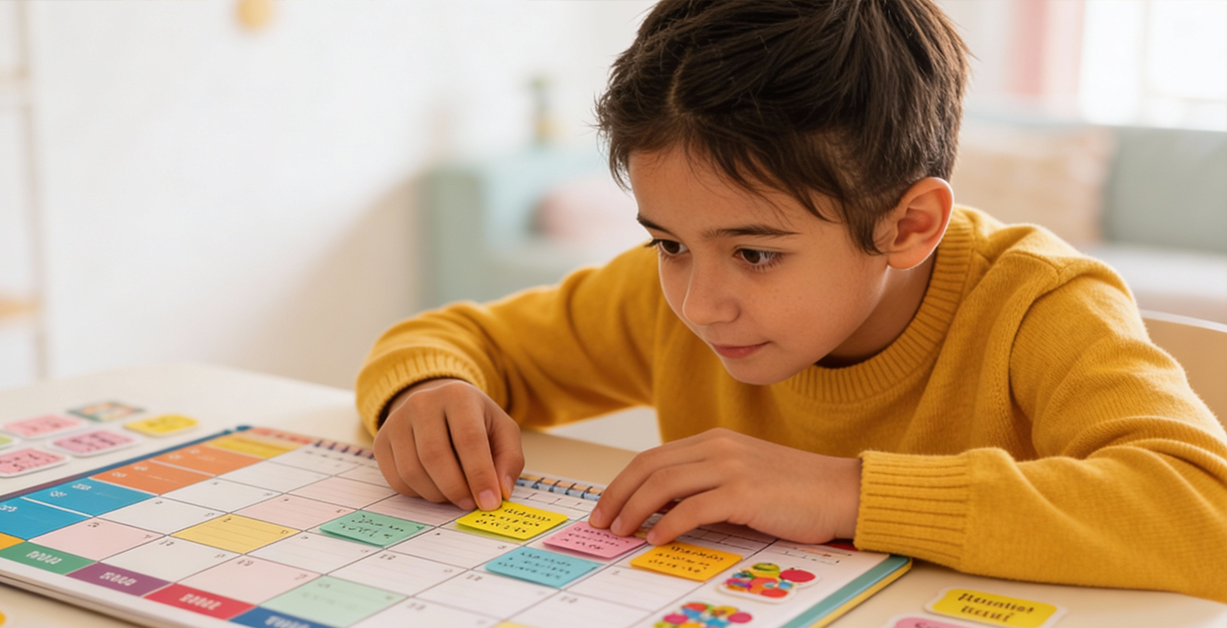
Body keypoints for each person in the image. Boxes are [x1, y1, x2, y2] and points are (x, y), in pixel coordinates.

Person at [355, 0, 1227, 602]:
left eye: (757, 252)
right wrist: (426, 392)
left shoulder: (1041, 306)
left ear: (909, 225)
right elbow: (455, 339)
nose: (700, 303)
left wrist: (845, 493)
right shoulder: (675, 296)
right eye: (668, 243)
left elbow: (1205, 515)